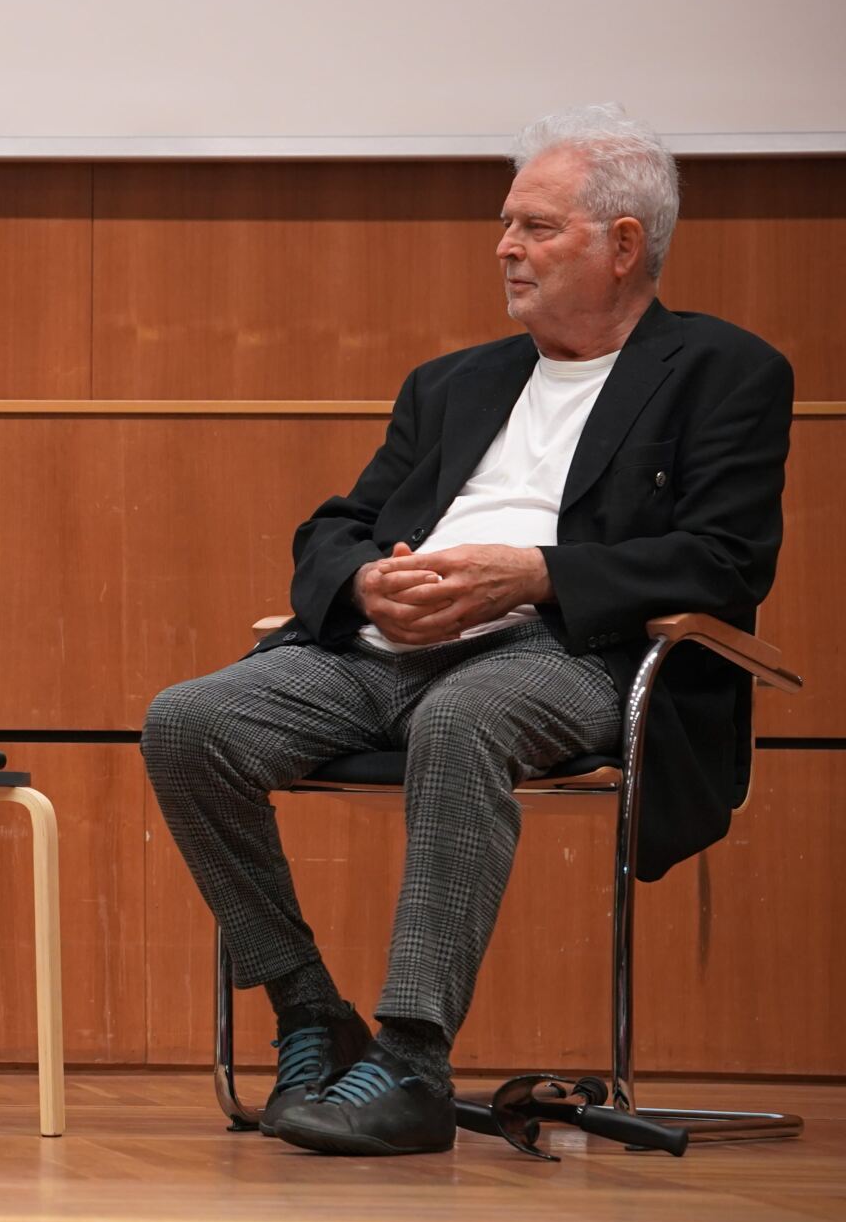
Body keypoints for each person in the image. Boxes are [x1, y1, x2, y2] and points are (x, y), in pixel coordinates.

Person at [141, 104, 791, 1155]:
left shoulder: (724, 372)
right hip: (387, 650)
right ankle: (311, 1012)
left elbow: (722, 559)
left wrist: (533, 574)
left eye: (535, 227)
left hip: (574, 654)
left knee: (464, 717)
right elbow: (339, 524)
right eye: (505, 225)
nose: (505, 248)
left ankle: (409, 1060)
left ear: (622, 246)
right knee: (187, 722)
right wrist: (361, 584)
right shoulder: (454, 382)